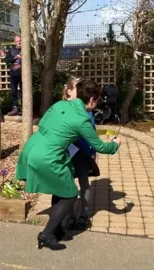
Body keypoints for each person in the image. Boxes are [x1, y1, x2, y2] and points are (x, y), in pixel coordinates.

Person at [15, 79, 121, 251]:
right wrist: (116, 144)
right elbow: (100, 146)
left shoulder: (59, 105)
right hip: (48, 156)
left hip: (33, 146)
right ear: (92, 100)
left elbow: (45, 123)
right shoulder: (82, 119)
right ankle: (46, 235)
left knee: (59, 188)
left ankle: (56, 228)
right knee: (70, 194)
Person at [60, 76, 98, 230]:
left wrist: (93, 150)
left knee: (84, 182)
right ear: (69, 91)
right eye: (77, 88)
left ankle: (84, 213)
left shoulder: (87, 110)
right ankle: (68, 215)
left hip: (83, 152)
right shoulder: (61, 108)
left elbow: (93, 132)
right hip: (67, 152)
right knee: (67, 183)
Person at [5, 35, 22, 116]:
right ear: (15, 42)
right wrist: (16, 57)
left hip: (23, 75)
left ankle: (24, 108)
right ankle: (15, 108)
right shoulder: (11, 50)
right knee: (13, 92)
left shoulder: (26, 50)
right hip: (13, 74)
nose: (19, 42)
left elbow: (31, 61)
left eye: (20, 40)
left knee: (24, 92)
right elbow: (7, 60)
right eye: (17, 41)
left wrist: (21, 65)